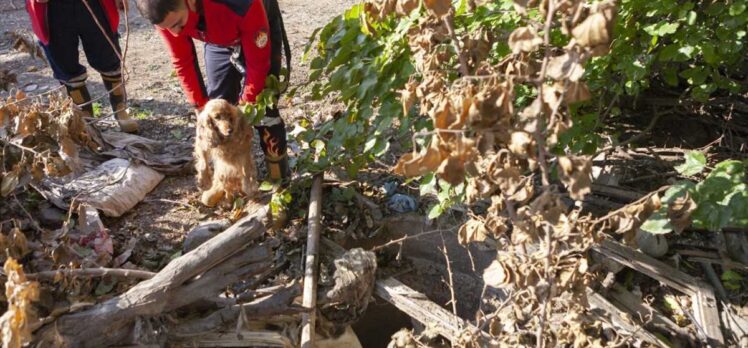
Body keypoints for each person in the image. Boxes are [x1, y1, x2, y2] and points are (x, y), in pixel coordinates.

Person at [134, 0, 289, 181]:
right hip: (217, 37)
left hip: (253, 26)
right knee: (218, 108)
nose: (176, 32)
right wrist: (200, 106)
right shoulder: (164, 15)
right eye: (168, 28)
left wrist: (244, 107)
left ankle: (279, 180)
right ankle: (229, 180)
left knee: (265, 110)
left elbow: (258, 65)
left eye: (178, 24)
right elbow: (182, 60)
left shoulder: (243, 4)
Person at [25, 0, 139, 133]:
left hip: (94, 3)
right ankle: (85, 116)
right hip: (51, 7)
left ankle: (120, 109)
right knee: (65, 64)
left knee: (108, 56)